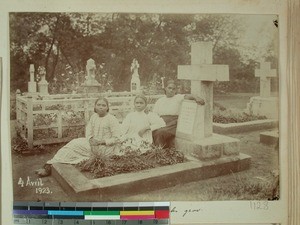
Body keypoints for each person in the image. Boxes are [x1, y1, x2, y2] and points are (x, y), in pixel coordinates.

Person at [35, 97, 121, 177]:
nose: (101, 107)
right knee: (73, 143)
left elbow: (117, 138)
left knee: (77, 151)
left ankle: (48, 168)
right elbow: (89, 130)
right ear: (95, 106)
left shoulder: (112, 119)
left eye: (103, 105)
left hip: (105, 147)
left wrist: (101, 142)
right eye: (98, 105)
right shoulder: (94, 116)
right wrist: (90, 139)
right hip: (93, 143)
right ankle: (49, 164)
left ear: (107, 108)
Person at [152, 79, 205, 148]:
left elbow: (188, 96)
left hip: (173, 123)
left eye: (174, 89)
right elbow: (154, 114)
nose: (171, 90)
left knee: (160, 132)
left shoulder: (178, 97)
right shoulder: (160, 100)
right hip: (161, 121)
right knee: (153, 131)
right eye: (169, 88)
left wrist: (196, 97)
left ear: (176, 90)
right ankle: (157, 149)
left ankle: (159, 152)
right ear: (165, 88)